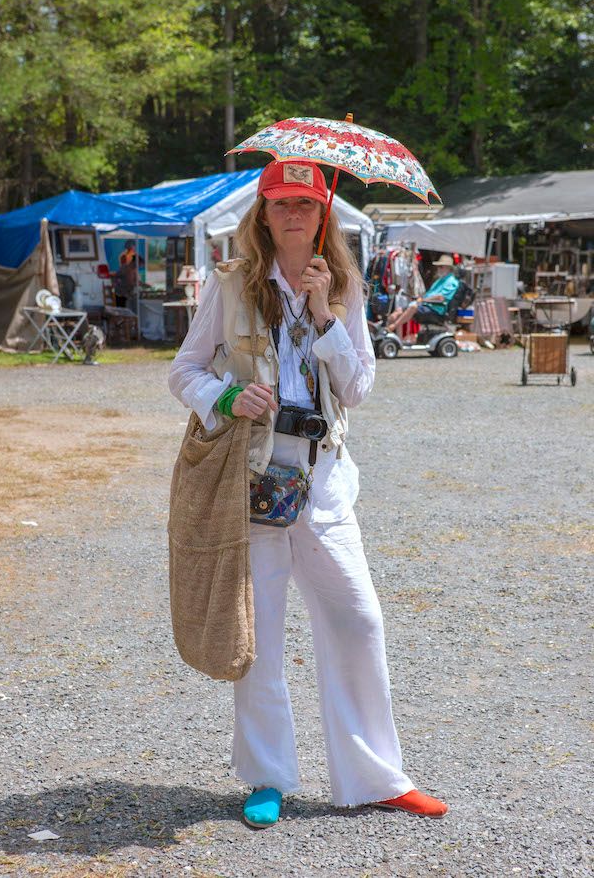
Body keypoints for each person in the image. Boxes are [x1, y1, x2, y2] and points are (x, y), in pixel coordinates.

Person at [168, 160, 448, 828]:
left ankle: (375, 777)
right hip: (254, 481)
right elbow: (183, 370)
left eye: (306, 204)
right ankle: (267, 777)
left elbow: (358, 390)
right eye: (282, 203)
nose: (294, 215)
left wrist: (324, 316)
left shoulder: (344, 288)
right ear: (262, 214)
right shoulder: (232, 286)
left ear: (325, 215)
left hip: (322, 485)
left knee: (359, 620)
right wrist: (228, 396)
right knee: (258, 635)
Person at [386, 254, 460, 337]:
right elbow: (429, 295)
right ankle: (385, 328)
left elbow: (441, 298)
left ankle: (392, 327)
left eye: (441, 266)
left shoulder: (452, 282)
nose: (438, 269)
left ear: (448, 268)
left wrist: (423, 300)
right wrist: (421, 299)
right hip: (426, 305)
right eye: (438, 266)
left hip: (436, 309)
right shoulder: (440, 280)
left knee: (413, 307)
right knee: (398, 310)